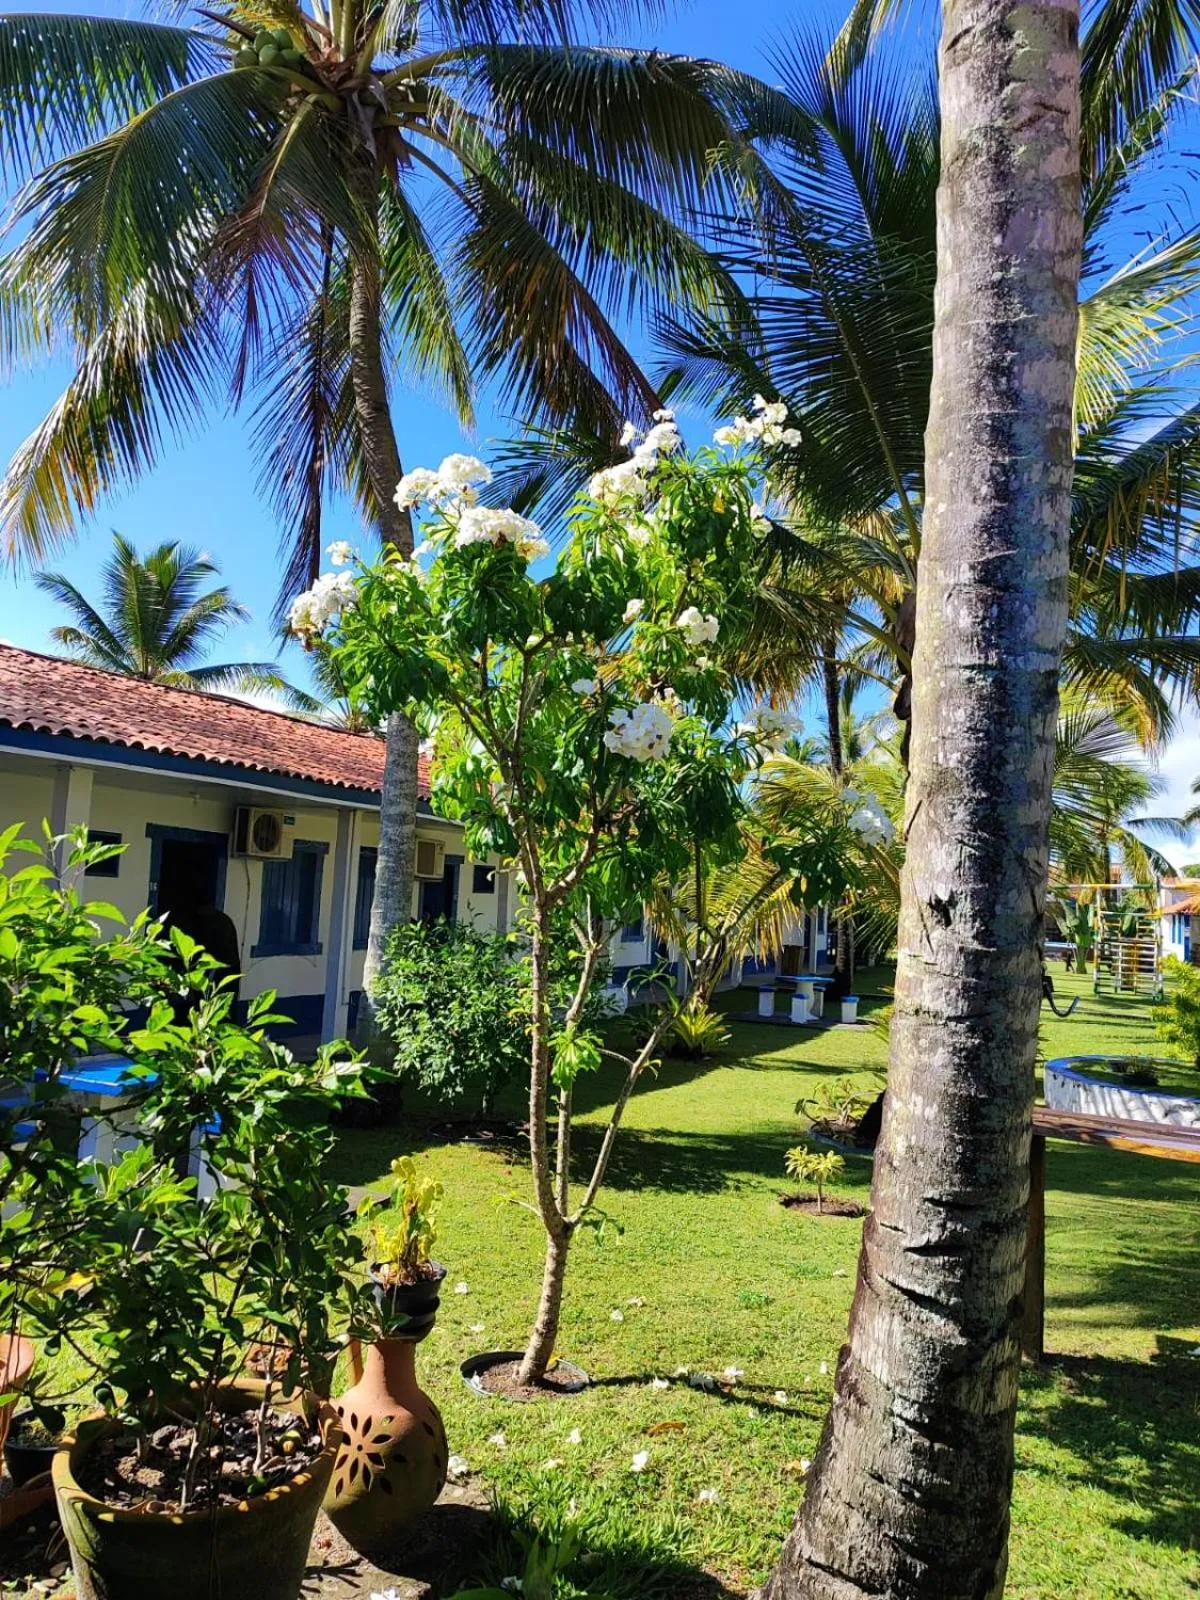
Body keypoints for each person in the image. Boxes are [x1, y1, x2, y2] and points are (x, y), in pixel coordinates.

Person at [163, 862, 242, 1017]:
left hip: (215, 977)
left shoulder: (207, 922)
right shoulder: (222, 920)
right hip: (223, 977)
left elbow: (207, 957)